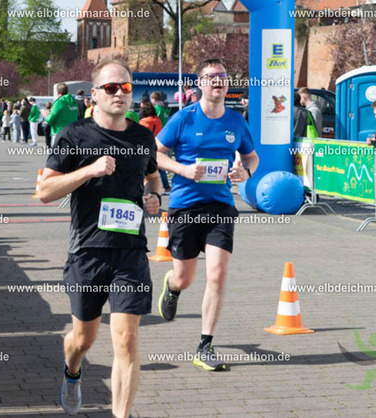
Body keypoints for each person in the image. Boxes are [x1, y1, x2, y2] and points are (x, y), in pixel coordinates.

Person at [38, 59, 161, 417]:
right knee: (82, 340)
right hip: (88, 251)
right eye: (110, 87)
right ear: (94, 94)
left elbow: (152, 176)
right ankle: (72, 370)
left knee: (126, 338)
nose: (119, 93)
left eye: (126, 87)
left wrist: (154, 196)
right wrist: (89, 170)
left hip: (131, 252)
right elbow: (45, 191)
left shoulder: (142, 137)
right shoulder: (74, 135)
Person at [155, 58, 259, 371]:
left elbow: (251, 157)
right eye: (211, 76)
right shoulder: (183, 118)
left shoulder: (236, 121)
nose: (218, 80)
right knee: (185, 278)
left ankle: (205, 345)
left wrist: (245, 174)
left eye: (222, 76)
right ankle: (172, 286)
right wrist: (182, 169)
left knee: (217, 273)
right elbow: (155, 153)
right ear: (199, 83)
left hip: (220, 206)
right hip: (185, 206)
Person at [140, 102, 170, 194]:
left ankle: (145, 188)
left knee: (144, 170)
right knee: (160, 170)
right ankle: (167, 187)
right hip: (156, 147)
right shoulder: (158, 121)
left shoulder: (143, 122)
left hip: (145, 148)